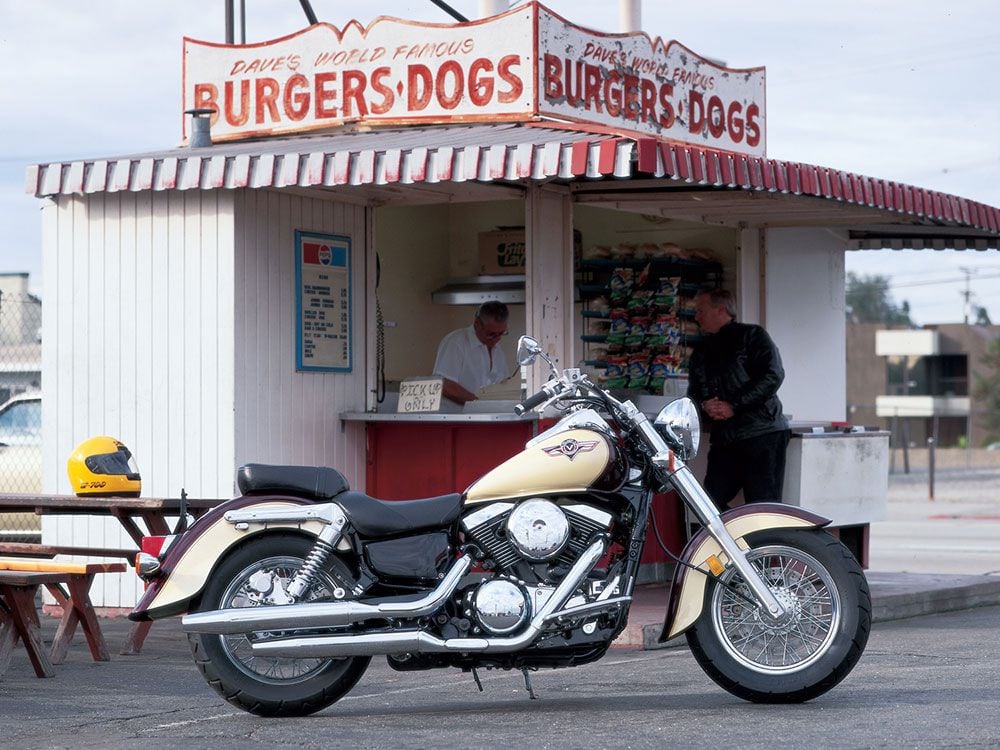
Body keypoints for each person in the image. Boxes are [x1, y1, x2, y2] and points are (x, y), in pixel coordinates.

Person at [686, 288, 790, 512]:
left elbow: (772, 375)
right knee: (709, 502)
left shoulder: (753, 335)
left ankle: (765, 547)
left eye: (701, 310)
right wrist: (705, 406)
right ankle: (726, 545)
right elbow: (693, 394)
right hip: (725, 438)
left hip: (762, 433)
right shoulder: (701, 351)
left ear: (721, 310)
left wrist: (734, 405)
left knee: (762, 504)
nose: (696, 316)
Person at [433, 301, 511, 404]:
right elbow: (444, 385)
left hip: (488, 416)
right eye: (491, 334)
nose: (496, 339)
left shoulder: (498, 351)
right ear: (477, 323)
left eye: (501, 333)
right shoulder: (456, 342)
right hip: (457, 417)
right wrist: (478, 404)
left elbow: (504, 384)